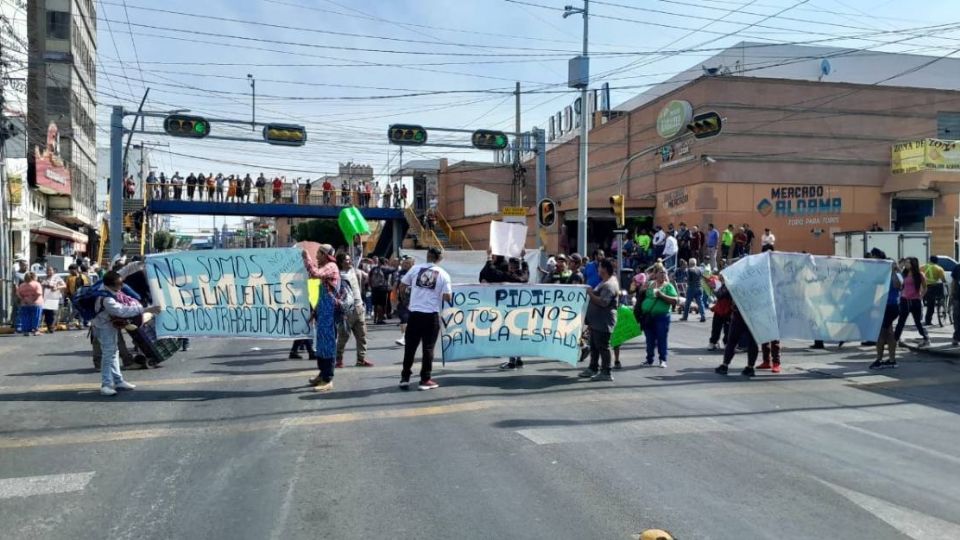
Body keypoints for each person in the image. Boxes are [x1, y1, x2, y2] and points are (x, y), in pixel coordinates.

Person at [93, 271, 160, 396]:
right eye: (119, 284)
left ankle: (118, 381)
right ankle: (106, 385)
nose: (122, 286)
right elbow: (122, 311)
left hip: (108, 324)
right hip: (104, 327)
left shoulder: (107, 289)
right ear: (110, 285)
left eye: (121, 282)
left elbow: (127, 269)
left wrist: (139, 263)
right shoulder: (106, 298)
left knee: (114, 352)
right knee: (108, 355)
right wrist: (146, 309)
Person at [398, 247, 452, 391]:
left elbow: (402, 286)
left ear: (427, 255)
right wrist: (438, 293)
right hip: (431, 315)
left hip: (414, 313)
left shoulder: (415, 269)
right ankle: (425, 379)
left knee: (410, 347)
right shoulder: (443, 274)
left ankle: (405, 378)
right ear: (440, 258)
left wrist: (406, 302)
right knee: (428, 348)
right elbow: (448, 297)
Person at [302, 244, 341, 392]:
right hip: (323, 311)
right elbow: (322, 295)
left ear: (325, 255)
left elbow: (315, 274)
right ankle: (322, 374)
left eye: (319, 253)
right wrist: (315, 312)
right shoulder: (326, 266)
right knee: (321, 345)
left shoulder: (331, 266)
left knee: (328, 345)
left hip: (329, 313)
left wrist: (307, 258)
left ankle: (328, 379)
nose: (316, 256)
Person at [578, 258, 620, 381]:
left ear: (605, 269)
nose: (598, 269)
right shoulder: (604, 281)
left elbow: (603, 302)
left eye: (600, 267)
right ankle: (593, 368)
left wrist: (590, 294)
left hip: (604, 321)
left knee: (603, 347)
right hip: (596, 321)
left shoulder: (609, 284)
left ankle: (606, 372)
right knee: (594, 346)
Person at [715, 276, 760, 377]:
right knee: (752, 342)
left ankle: (725, 365)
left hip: (739, 315)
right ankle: (750, 367)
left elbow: (720, 295)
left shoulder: (736, 281)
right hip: (753, 315)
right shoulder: (758, 281)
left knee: (732, 341)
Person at [335, 252, 375, 368]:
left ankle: (361, 360)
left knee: (362, 336)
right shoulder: (338, 275)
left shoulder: (353, 270)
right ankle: (338, 359)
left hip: (359, 308)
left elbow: (358, 256)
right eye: (346, 260)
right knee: (343, 336)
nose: (349, 261)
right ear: (340, 262)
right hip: (347, 310)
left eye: (349, 259)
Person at [637, 263, 678, 368]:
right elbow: (641, 293)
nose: (663, 274)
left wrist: (661, 295)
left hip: (662, 317)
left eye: (664, 273)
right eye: (661, 272)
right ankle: (649, 359)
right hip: (648, 316)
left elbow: (675, 301)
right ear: (655, 274)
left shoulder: (668, 286)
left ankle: (662, 359)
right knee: (649, 339)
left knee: (661, 338)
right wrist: (642, 289)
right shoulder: (650, 284)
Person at [871, 258, 903, 369]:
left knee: (881, 334)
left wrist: (893, 271)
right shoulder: (882, 276)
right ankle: (892, 360)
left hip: (891, 307)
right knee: (889, 334)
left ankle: (879, 360)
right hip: (882, 307)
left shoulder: (897, 275)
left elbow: (898, 286)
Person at [894, 256, 929, 347]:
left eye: (908, 262)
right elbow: (900, 285)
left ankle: (926, 338)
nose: (906, 264)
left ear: (913, 264)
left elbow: (925, 287)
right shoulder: (903, 273)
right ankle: (895, 340)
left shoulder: (919, 274)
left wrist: (920, 297)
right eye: (905, 262)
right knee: (901, 321)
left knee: (917, 322)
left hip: (915, 301)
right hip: (904, 300)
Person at [394, 256, 414, 346]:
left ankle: (407, 337)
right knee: (404, 318)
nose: (405, 265)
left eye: (407, 263)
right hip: (402, 299)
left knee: (410, 320)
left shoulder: (415, 273)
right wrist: (394, 298)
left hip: (413, 300)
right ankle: (404, 337)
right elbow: (396, 285)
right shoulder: (401, 273)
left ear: (412, 264)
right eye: (404, 263)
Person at [40, 266, 66, 334]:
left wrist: (57, 287)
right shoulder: (44, 278)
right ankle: (49, 327)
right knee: (47, 313)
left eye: (50, 270)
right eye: (47, 270)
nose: (49, 271)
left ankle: (52, 327)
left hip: (54, 297)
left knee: (53, 313)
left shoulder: (57, 277)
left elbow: (64, 285)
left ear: (53, 271)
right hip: (46, 298)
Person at [16, 272, 43, 336]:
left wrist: (24, 299)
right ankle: (35, 330)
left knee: (25, 317)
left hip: (24, 304)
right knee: (36, 317)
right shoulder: (37, 284)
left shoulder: (22, 285)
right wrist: (32, 300)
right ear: (34, 277)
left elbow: (18, 294)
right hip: (36, 303)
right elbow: (38, 293)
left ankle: (26, 331)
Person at [680, 258, 706, 323]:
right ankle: (703, 316)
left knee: (687, 303)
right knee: (700, 302)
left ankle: (685, 317)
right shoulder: (700, 269)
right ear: (695, 263)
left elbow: (689, 280)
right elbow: (701, 276)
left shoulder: (689, 270)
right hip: (699, 287)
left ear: (690, 263)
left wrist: (686, 279)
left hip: (691, 288)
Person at [922, 255, 946, 326]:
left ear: (929, 260)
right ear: (936, 261)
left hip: (923, 287)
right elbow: (943, 280)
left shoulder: (922, 267)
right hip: (933, 288)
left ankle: (920, 319)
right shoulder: (939, 268)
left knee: (924, 303)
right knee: (931, 305)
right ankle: (928, 321)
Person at [65, 264, 90, 329]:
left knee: (81, 310)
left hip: (82, 296)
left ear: (76, 270)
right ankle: (68, 322)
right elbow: (67, 287)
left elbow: (86, 286)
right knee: (75, 310)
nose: (70, 271)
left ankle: (81, 324)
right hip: (73, 296)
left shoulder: (83, 277)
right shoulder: (69, 278)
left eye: (71, 270)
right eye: (70, 270)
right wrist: (68, 295)